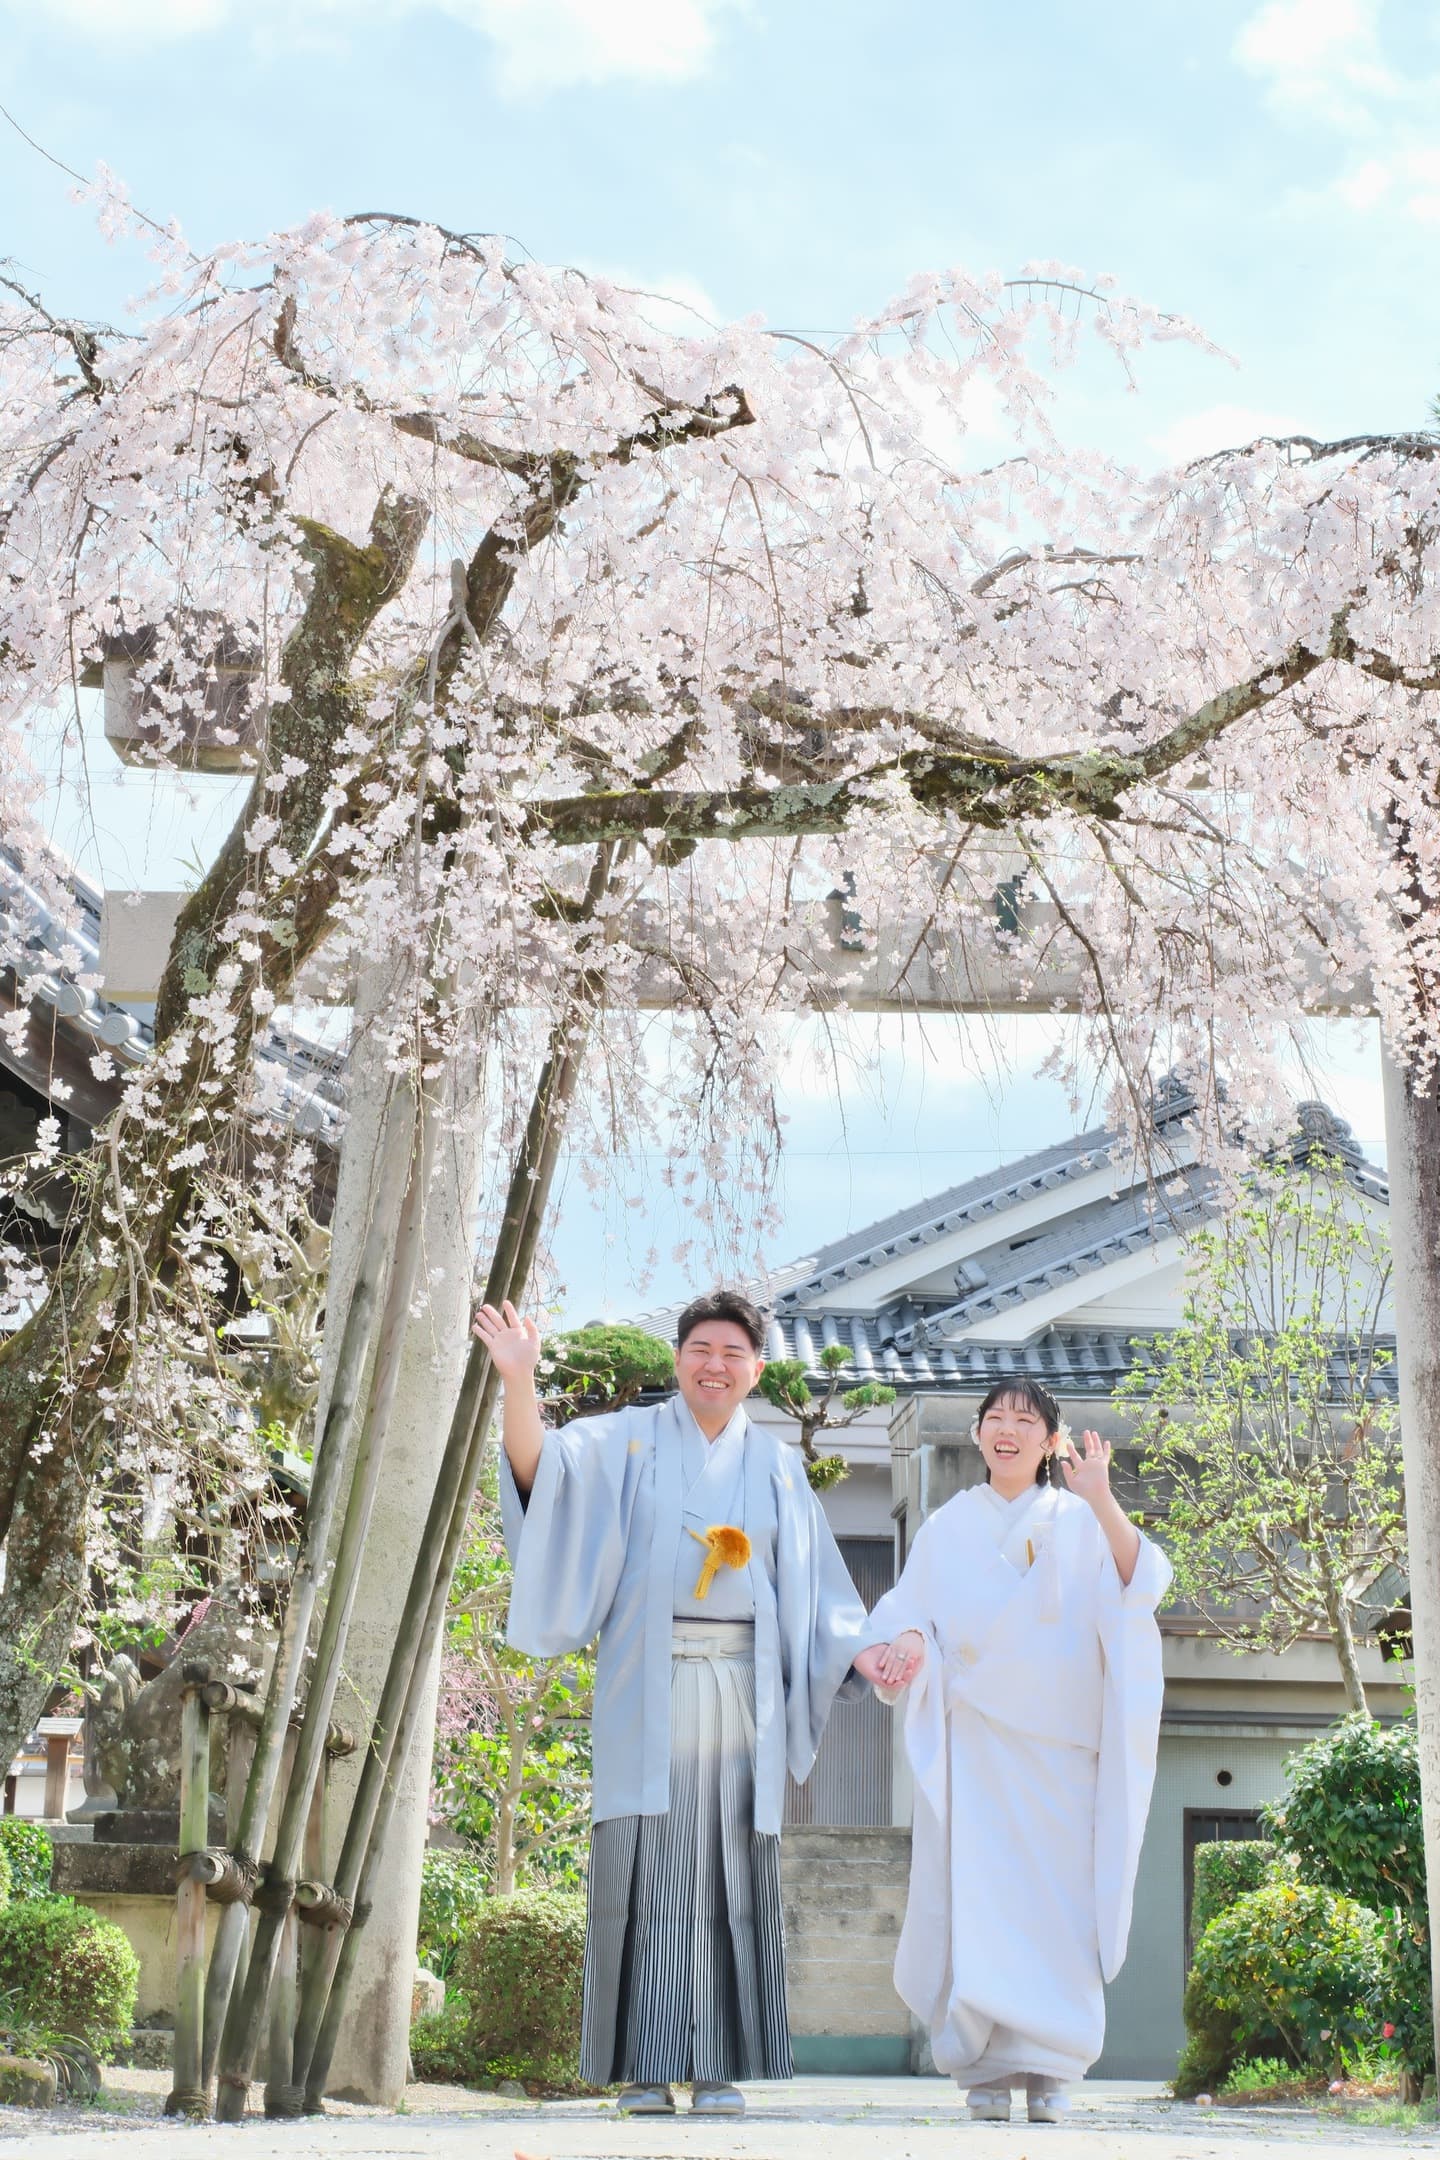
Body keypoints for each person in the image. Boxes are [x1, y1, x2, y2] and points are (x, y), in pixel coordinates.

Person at [473, 1288, 891, 2119]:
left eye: (734, 1354)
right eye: (702, 1348)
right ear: (678, 1358)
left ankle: (719, 2068)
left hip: (741, 1689)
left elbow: (820, 1596)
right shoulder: (625, 1442)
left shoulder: (774, 1466)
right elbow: (538, 1475)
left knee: (732, 1865)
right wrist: (518, 1383)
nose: (715, 1365)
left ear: (757, 1371)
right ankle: (643, 2067)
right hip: (648, 1685)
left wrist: (865, 1650)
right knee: (648, 1866)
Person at [862, 1378, 1170, 2127]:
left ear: (1051, 1441)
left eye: (1025, 1421)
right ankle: (986, 2069)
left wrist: (1100, 1495)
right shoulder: (945, 1525)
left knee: (1057, 1911)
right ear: (976, 1434)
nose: (1008, 1430)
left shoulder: (1080, 1519)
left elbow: (1140, 1587)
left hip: (1060, 1751)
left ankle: (1055, 2064)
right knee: (983, 1903)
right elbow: (909, 1611)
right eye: (994, 1418)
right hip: (978, 1747)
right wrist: (906, 1640)